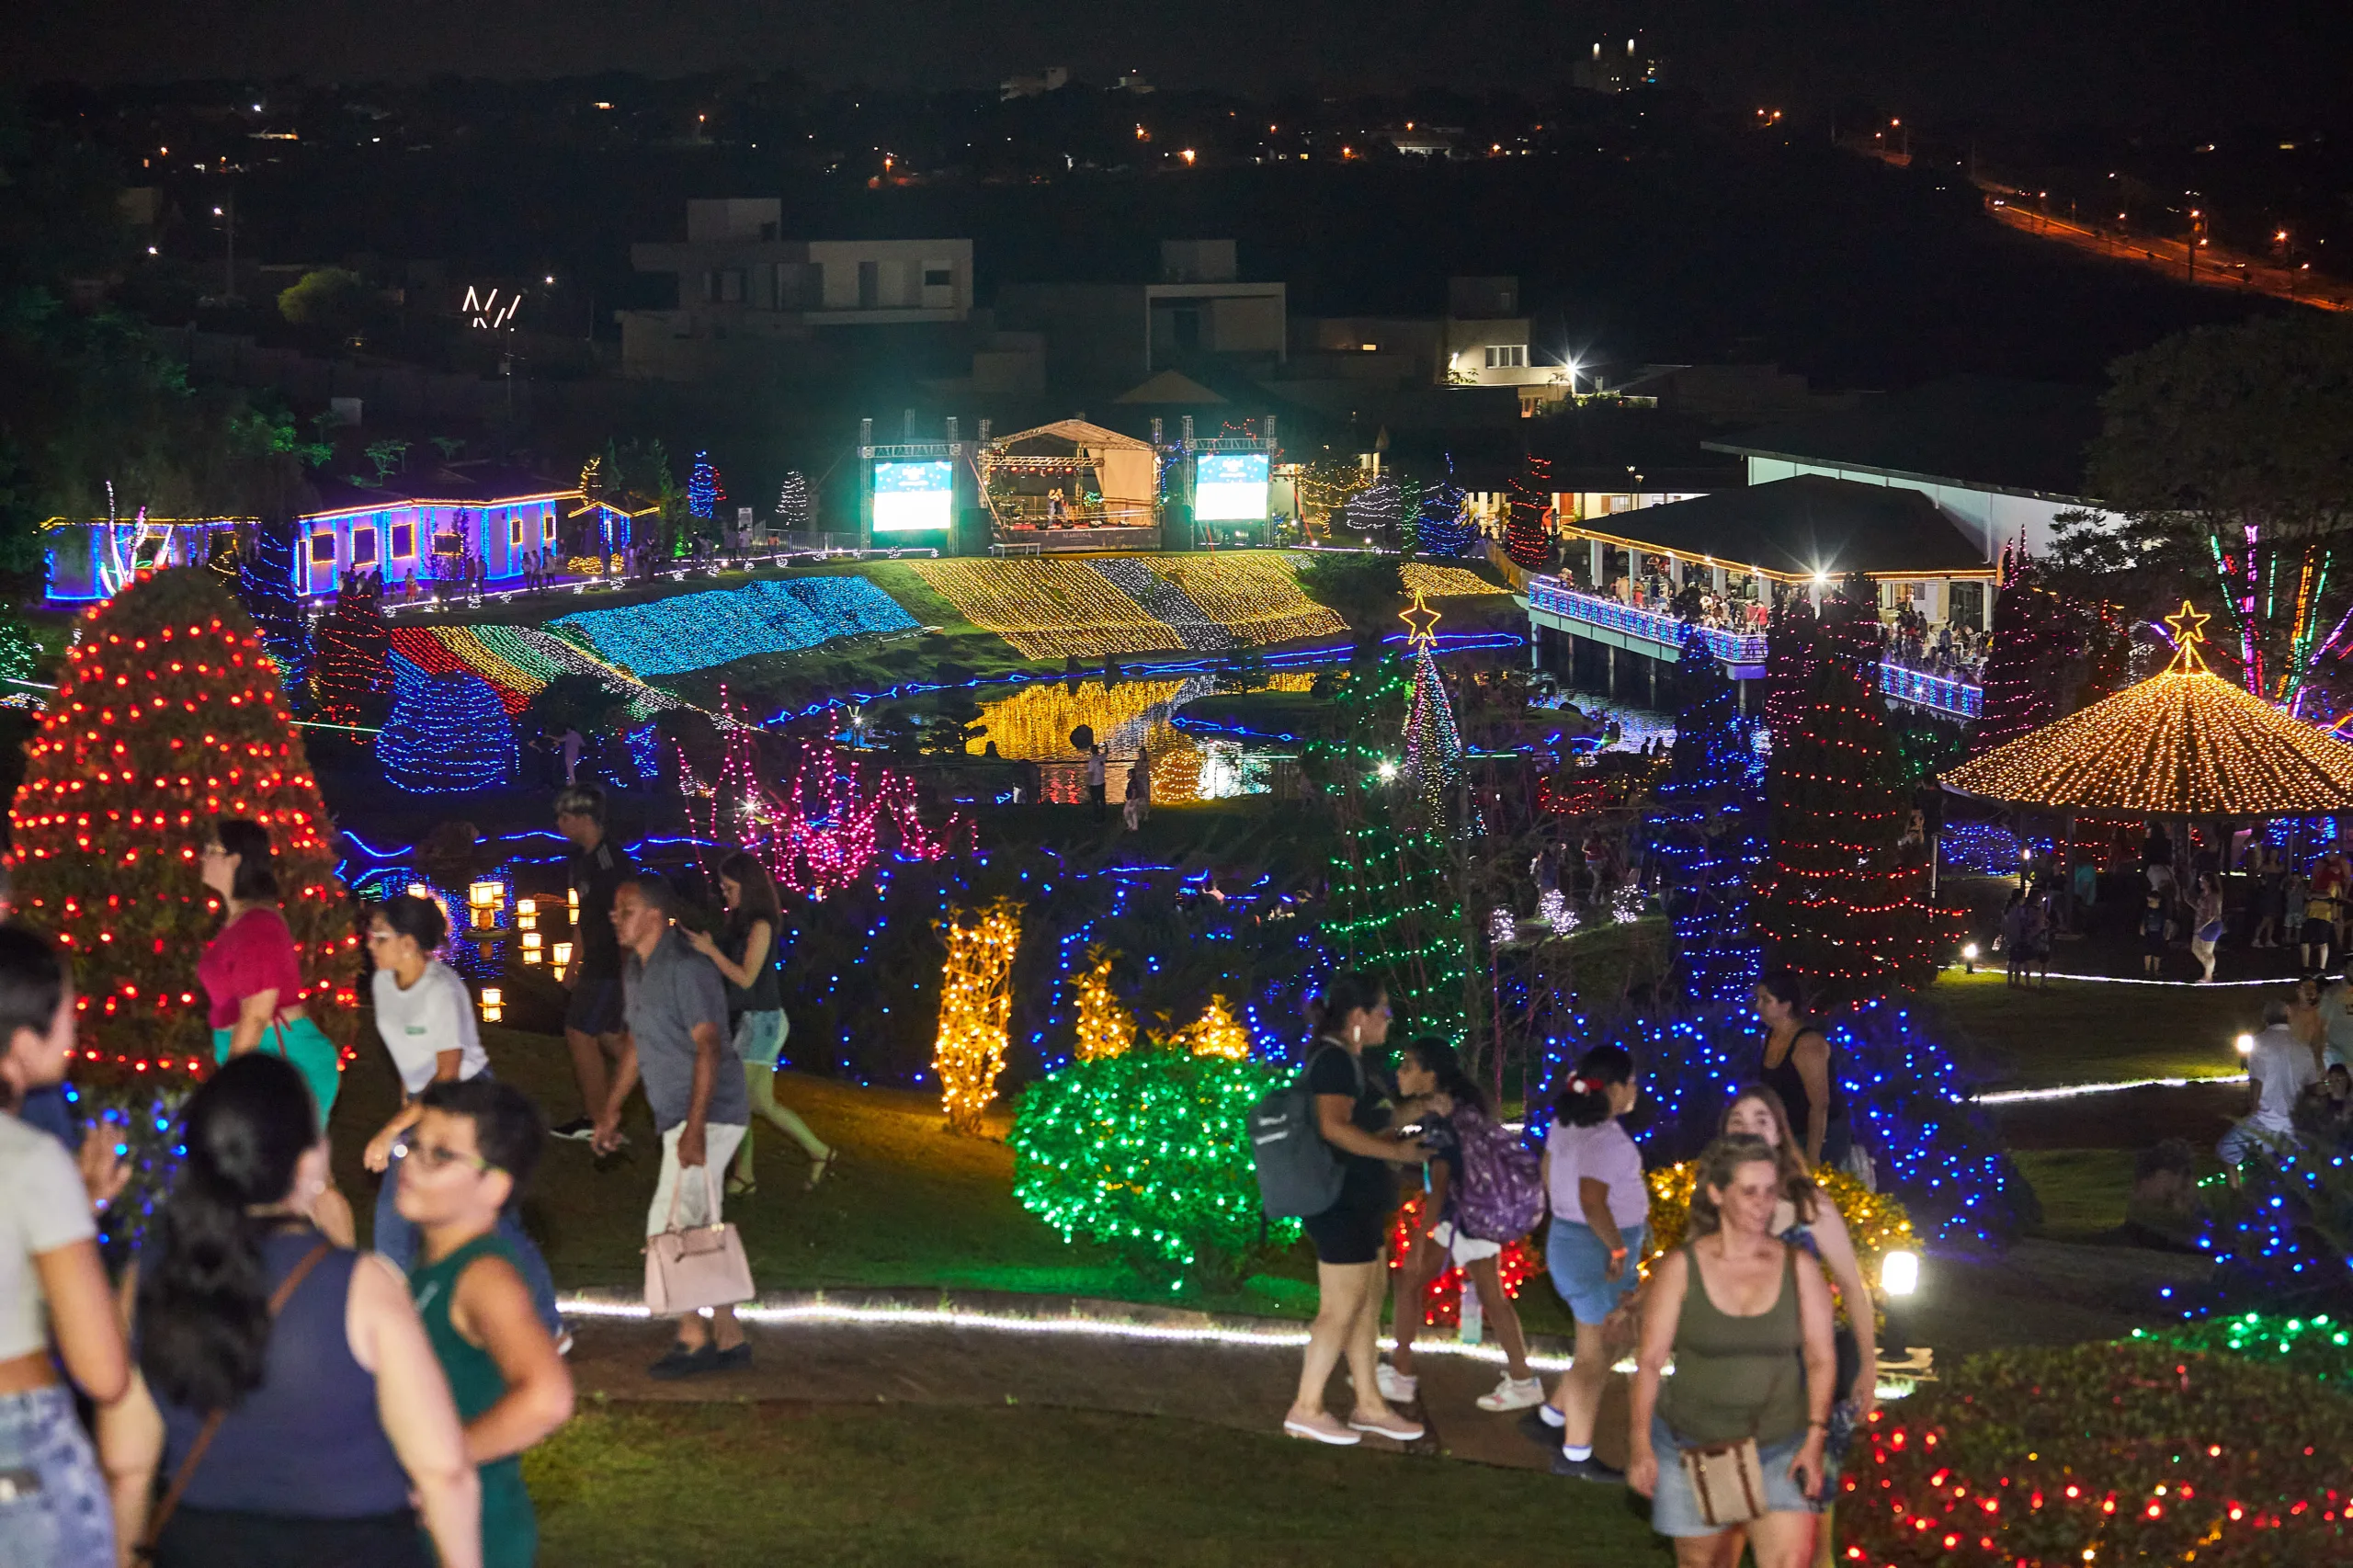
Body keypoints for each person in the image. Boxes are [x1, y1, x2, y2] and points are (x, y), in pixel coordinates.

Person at [97, 1053, 481, 1567]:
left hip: (202, 1546)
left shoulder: (147, 1278)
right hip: (356, 1547)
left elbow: (126, 1467)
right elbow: (443, 1471)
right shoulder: (362, 1286)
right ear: (309, 1161)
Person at [1628, 1136, 1836, 1568]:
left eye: (1769, 1190)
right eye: (1748, 1191)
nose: (1763, 1204)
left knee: (1791, 1559)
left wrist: (1815, 1437)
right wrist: (1640, 1444)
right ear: (1717, 1194)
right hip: (1698, 1446)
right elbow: (1648, 1362)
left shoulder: (1800, 1268)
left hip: (1781, 1442)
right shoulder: (1681, 1269)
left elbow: (1821, 1357)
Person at [358, 897, 563, 1337]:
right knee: (394, 1215)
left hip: (469, 1101)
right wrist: (404, 1116)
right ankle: (400, 1331)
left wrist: (391, 1131)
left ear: (410, 943)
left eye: (379, 935)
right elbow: (411, 1068)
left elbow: (446, 1076)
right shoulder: (382, 985)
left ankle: (548, 1326)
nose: (368, 943)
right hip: (424, 1101)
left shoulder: (441, 989)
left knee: (494, 1218)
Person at [394, 1079, 574, 1568]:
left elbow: (548, 1397)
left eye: (440, 1155)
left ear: (494, 1185)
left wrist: (440, 1465)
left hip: (475, 1535)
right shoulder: (431, 1267)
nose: (411, 1163)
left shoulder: (483, 1276)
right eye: (413, 1145)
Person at [0, 927, 130, 1568]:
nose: (76, 1035)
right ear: (21, 1044)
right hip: (18, 1457)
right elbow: (102, 1370)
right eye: (67, 1016)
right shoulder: (31, 1160)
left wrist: (77, 1209)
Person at [593, 876, 753, 1378]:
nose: (616, 917)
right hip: (680, 1115)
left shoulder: (687, 967)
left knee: (670, 1224)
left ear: (656, 916)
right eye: (616, 911)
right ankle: (729, 1336)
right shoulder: (638, 970)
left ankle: (691, 1338)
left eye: (627, 909)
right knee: (698, 1221)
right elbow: (638, 1045)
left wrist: (695, 1128)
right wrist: (610, 1109)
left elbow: (709, 1046)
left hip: (710, 1112)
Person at [1282, 972, 1441, 1448]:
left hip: (1361, 1202)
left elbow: (1373, 1120)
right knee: (1341, 1307)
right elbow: (1333, 1128)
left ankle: (1369, 1404)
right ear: (1358, 1017)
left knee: (1368, 1303)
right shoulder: (1333, 1061)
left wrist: (1417, 1113)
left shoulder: (1351, 1062)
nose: (1389, 1021)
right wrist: (1397, 1155)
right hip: (1339, 1201)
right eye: (1384, 1011)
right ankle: (1306, 1407)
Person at [197, 818, 352, 1247]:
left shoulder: (259, 926)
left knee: (311, 1180)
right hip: (265, 1057)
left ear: (235, 859)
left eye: (211, 848)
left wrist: (228, 1086)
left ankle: (345, 1277)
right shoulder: (240, 922)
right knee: (302, 1178)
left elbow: (257, 1013)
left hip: (283, 1059)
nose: (201, 856)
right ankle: (331, 1274)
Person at [1377, 1038, 1542, 1415]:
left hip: (1464, 1217)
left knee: (1418, 1281)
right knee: (1473, 1293)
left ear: (1429, 1074)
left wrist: (1420, 1237)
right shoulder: (1455, 1107)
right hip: (1468, 1216)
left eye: (1407, 1066)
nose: (1399, 1073)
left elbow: (1442, 1172)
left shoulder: (1444, 1115)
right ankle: (1519, 1380)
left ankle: (1403, 1375)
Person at [681, 853, 835, 1195]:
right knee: (762, 1104)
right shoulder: (742, 924)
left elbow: (746, 978)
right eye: (723, 887)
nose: (725, 894)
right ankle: (818, 1152)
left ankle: (740, 1175)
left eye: (730, 888)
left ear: (748, 888)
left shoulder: (762, 925)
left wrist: (711, 952)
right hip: (755, 1020)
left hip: (764, 1023)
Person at [1529, 1044, 1646, 1482]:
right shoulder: (1605, 1139)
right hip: (1593, 1251)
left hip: (1574, 1242)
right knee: (1593, 1356)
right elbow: (1592, 1201)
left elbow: (1547, 1168)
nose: (1636, 1089)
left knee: (1613, 1342)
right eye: (1631, 1081)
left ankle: (1552, 1418)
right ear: (1614, 1088)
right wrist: (1616, 1248)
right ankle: (1575, 1455)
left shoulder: (1568, 1124)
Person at [551, 786, 635, 1142]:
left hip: (611, 966)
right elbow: (585, 917)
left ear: (586, 818)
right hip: (595, 963)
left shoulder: (611, 862)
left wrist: (632, 974)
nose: (558, 823)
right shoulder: (582, 861)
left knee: (579, 1032)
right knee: (612, 1039)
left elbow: (631, 919)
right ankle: (680, 1087)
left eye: (564, 817)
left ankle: (598, 1121)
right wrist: (571, 966)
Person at [2220, 998, 2320, 1177]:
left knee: (2227, 1150)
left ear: (2265, 1018)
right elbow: (2313, 1087)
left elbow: (2257, 1081)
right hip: (2294, 1120)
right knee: (2283, 1164)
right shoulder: (2303, 1048)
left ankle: (2237, 1193)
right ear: (2288, 1018)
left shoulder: (2259, 1043)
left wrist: (2252, 1109)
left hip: (2266, 1118)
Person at [1756, 969, 1845, 1168]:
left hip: (1816, 1136)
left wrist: (1813, 1157)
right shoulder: (1770, 1037)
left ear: (1786, 1006)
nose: (1758, 1006)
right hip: (1786, 1135)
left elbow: (1820, 1105)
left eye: (1765, 1000)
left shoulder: (1808, 1044)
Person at [2190, 872, 2224, 983]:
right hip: (2201, 925)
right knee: (2195, 948)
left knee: (2207, 952)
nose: (2200, 882)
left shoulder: (2213, 896)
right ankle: (2210, 970)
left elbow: (2213, 915)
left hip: (2211, 926)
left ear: (2208, 882)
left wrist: (2202, 926)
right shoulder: (2204, 894)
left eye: (2202, 880)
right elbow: (2200, 909)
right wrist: (2189, 902)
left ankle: (2208, 977)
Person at [1122, 744, 1152, 831]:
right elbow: (1137, 771)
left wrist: (1141, 772)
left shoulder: (1147, 762)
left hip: (1144, 782)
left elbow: (1146, 771)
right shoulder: (1137, 762)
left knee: (1145, 798)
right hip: (1139, 782)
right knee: (1138, 798)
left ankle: (1146, 814)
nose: (1140, 755)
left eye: (1142, 754)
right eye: (1139, 754)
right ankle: (1138, 813)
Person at [2140, 889, 2168, 979]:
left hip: (2158, 935)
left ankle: (2156, 970)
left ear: (2158, 901)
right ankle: (2147, 970)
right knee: (2147, 951)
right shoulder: (2147, 911)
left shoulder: (2162, 912)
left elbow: (2165, 923)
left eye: (2151, 901)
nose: (2149, 903)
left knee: (2157, 953)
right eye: (2148, 901)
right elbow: (2144, 921)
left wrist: (2166, 933)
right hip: (2149, 933)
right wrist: (2142, 928)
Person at [1085, 744, 1108, 820]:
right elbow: (1106, 753)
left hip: (1094, 784)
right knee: (1102, 799)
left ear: (1091, 751)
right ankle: (1103, 815)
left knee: (1095, 801)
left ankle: (1096, 817)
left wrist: (1088, 784)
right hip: (1102, 782)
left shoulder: (1092, 761)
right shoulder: (1101, 758)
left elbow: (1091, 773)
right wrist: (1106, 746)